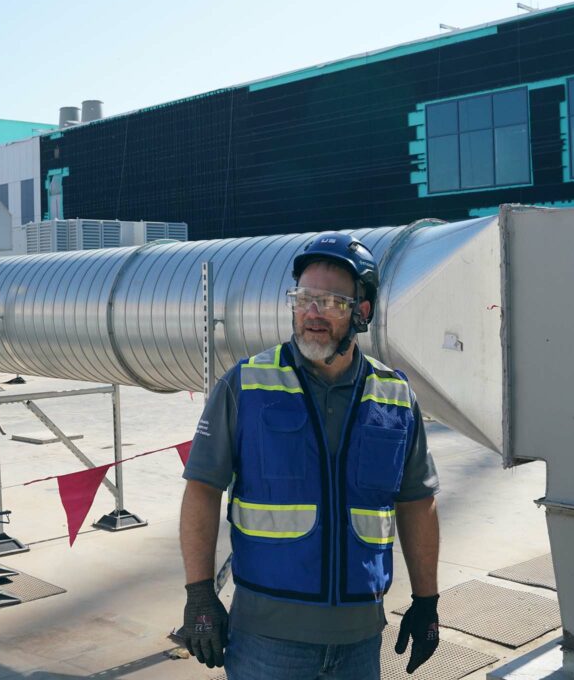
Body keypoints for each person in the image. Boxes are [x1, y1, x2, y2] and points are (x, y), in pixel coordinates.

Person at [179, 232, 441, 679]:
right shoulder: (246, 385)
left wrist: (427, 600)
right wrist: (200, 595)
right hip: (266, 643)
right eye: (303, 299)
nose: (312, 313)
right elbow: (202, 489)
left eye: (331, 302)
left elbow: (416, 502)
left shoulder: (395, 396)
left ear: (363, 312)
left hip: (360, 641)